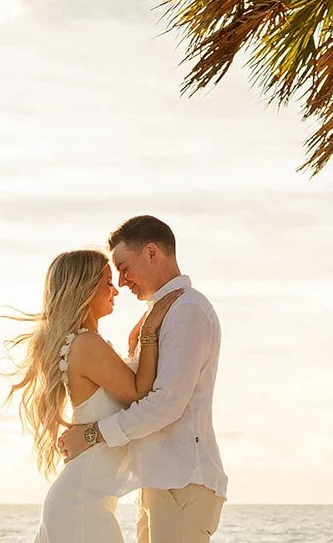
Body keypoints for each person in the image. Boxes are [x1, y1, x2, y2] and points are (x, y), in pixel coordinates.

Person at [58, 216, 226, 543]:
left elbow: (166, 404)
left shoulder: (187, 310)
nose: (121, 282)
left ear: (151, 253)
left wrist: (92, 434)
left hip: (182, 484)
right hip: (160, 482)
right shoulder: (159, 314)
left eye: (124, 267)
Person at [9, 247, 182, 542]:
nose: (115, 290)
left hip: (85, 499)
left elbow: (123, 386)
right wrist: (149, 331)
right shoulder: (86, 344)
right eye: (106, 283)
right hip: (82, 503)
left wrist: (135, 346)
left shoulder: (85, 344)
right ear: (85, 290)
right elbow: (140, 392)